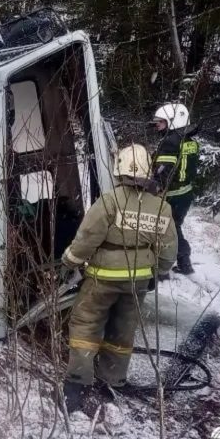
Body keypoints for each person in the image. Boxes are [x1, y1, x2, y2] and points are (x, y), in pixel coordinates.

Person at [60, 144, 178, 413]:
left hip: (102, 279)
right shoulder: (162, 208)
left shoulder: (110, 201)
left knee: (86, 324)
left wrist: (69, 261)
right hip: (138, 283)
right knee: (123, 329)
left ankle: (76, 385)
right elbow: (169, 251)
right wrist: (156, 272)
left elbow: (87, 237)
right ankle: (111, 381)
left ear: (120, 169)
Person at [151, 103, 200, 275]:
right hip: (185, 194)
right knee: (175, 227)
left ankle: (160, 268)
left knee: (162, 229)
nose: (157, 126)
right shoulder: (189, 141)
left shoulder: (170, 142)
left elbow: (163, 172)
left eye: (161, 122)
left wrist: (151, 185)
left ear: (173, 122)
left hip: (171, 196)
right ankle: (184, 262)